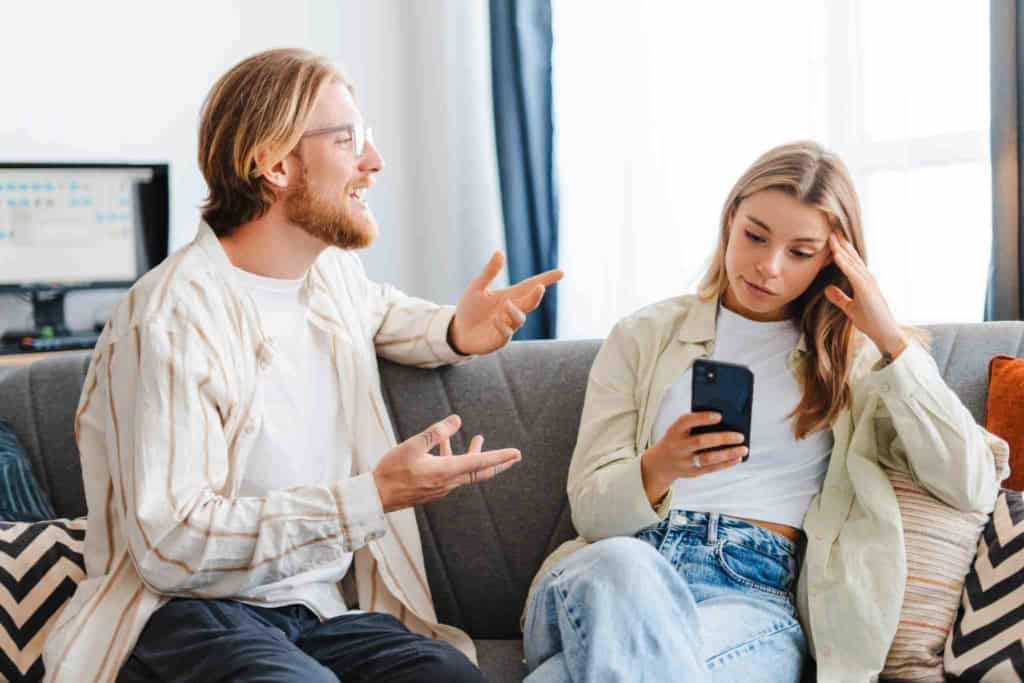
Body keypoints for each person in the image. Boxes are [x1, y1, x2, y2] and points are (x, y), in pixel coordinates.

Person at [41, 48, 562, 683]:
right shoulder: (172, 318)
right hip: (187, 614)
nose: (373, 162)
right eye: (349, 140)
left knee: (448, 674)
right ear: (274, 163)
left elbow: (383, 314)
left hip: (316, 614)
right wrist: (371, 497)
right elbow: (168, 545)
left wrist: (458, 328)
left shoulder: (330, 277)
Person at [522, 141, 1007, 682]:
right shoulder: (643, 336)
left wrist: (888, 336)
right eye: (755, 235)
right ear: (730, 218)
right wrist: (660, 467)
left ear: (833, 259)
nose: (768, 267)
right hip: (611, 571)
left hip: (749, 594)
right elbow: (591, 513)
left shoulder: (857, 360)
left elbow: (968, 482)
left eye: (801, 252)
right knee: (621, 566)